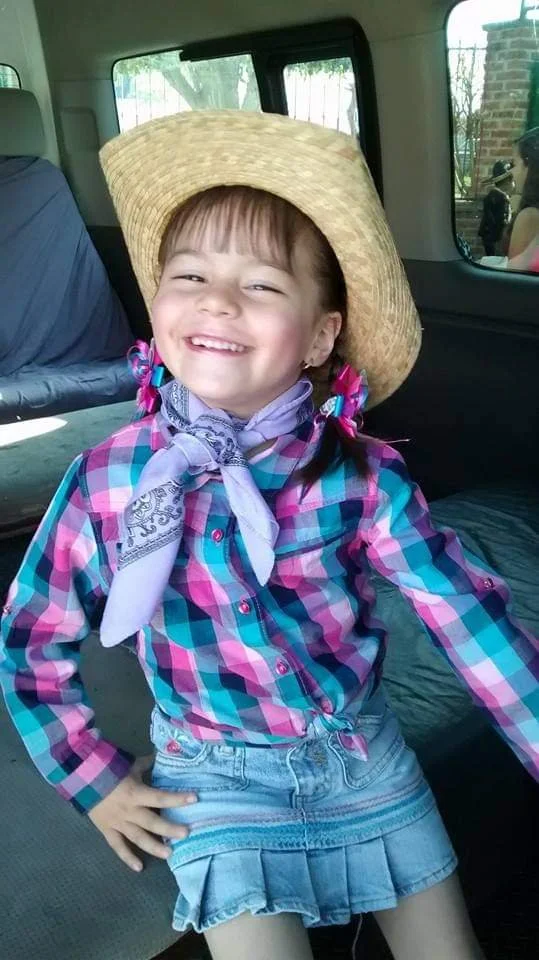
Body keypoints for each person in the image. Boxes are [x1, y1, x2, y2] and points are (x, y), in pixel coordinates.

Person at [1, 111, 538, 960]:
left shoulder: (361, 476)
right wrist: (92, 777)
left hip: (361, 754)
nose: (216, 300)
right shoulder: (109, 478)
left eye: (260, 285)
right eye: (189, 275)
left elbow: (466, 618)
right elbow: (32, 636)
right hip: (209, 773)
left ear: (320, 336)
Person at [506, 126, 539, 260]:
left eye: (514, 164)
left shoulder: (530, 216)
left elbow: (514, 272)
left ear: (530, 166)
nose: (511, 172)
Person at [477, 160, 514, 256]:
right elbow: (501, 221)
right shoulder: (502, 199)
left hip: (488, 237)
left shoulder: (491, 195)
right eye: (513, 181)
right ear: (508, 181)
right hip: (495, 239)